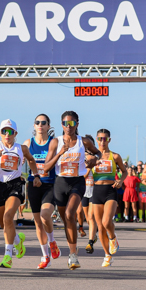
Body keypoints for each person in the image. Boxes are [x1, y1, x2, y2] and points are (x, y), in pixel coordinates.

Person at [0, 119, 41, 269]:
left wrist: (36, 175)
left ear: (15, 133)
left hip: (15, 184)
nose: (7, 134)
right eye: (4, 131)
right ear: (0, 133)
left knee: (8, 217)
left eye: (10, 131)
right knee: (3, 223)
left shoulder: (21, 148)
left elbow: (31, 160)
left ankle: (8, 256)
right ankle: (18, 240)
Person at [41, 111, 100, 270]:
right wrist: (60, 153)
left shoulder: (84, 141)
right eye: (66, 123)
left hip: (77, 182)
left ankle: (73, 255)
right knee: (66, 220)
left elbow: (98, 152)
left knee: (69, 214)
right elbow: (46, 167)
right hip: (60, 183)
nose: (69, 126)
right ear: (62, 125)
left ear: (77, 124)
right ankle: (71, 251)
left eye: (72, 123)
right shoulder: (55, 142)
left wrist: (95, 159)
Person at [22, 113, 60, 269]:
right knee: (38, 223)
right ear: (34, 125)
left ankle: (52, 241)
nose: (40, 125)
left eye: (43, 123)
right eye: (37, 122)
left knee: (45, 215)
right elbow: (19, 161)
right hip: (33, 184)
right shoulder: (28, 143)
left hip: (50, 184)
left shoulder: (53, 142)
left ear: (48, 126)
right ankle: (45, 256)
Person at [89, 129, 128, 267]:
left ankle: (112, 237)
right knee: (100, 226)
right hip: (96, 190)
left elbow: (124, 171)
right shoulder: (92, 157)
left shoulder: (115, 156)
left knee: (106, 222)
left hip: (110, 190)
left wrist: (120, 181)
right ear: (96, 139)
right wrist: (91, 164)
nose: (102, 141)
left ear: (109, 140)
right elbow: (84, 172)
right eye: (100, 138)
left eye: (105, 139)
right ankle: (107, 255)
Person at [81, 165, 98, 253]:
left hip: (93, 192)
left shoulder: (96, 166)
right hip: (84, 192)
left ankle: (90, 243)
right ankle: (94, 234)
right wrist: (88, 169)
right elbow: (82, 177)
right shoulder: (83, 165)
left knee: (91, 217)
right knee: (87, 219)